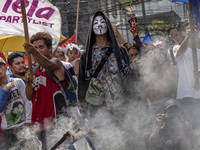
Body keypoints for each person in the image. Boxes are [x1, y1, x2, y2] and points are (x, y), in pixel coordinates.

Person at [23, 32, 80, 150]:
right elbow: (29, 97)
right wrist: (28, 82)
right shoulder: (34, 70)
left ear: (50, 48)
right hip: (39, 124)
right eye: (35, 47)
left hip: (57, 122)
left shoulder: (56, 63)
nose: (38, 50)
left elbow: (47, 63)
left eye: (41, 47)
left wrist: (33, 51)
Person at [78, 11, 137, 119]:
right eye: (95, 23)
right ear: (92, 27)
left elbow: (132, 78)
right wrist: (85, 111)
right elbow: (82, 84)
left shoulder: (121, 51)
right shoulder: (86, 56)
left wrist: (138, 103)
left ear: (108, 25)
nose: (99, 25)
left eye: (102, 22)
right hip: (99, 112)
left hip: (123, 109)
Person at [168, 20, 200, 130]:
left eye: (176, 34)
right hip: (188, 95)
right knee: (192, 127)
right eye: (171, 35)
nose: (174, 37)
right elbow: (180, 53)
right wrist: (188, 38)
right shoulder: (176, 48)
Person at [0, 57, 32, 149]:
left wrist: (28, 121)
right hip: (8, 130)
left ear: (6, 68)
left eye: (0, 67)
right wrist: (5, 90)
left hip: (23, 126)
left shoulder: (18, 82)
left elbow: (27, 101)